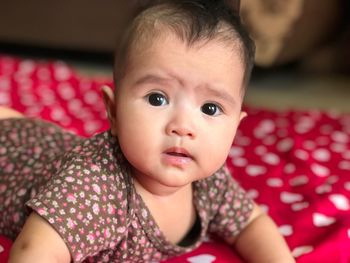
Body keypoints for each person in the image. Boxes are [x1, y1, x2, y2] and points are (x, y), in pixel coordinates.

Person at [1, 0, 295, 262]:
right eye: (157, 98)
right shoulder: (94, 187)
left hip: (49, 144)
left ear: (235, 128)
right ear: (113, 113)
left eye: (210, 109)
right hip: (12, 154)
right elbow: (33, 252)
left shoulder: (209, 183)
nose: (182, 127)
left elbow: (251, 222)